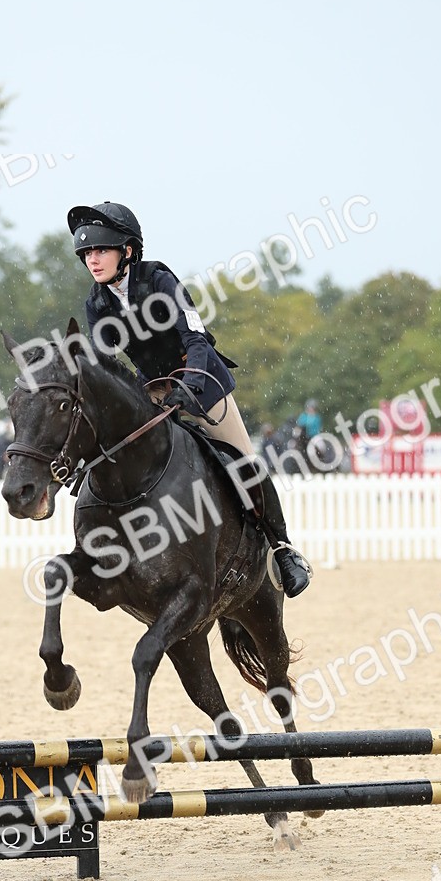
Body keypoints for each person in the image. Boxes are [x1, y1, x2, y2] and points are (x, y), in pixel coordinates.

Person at [67, 201, 311, 597]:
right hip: (154, 395)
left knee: (245, 463)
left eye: (100, 251)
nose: (92, 260)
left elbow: (195, 339)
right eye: (87, 254)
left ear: (127, 251)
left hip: (202, 383)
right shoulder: (97, 304)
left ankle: (283, 551)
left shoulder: (158, 279)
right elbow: (106, 369)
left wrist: (189, 386)